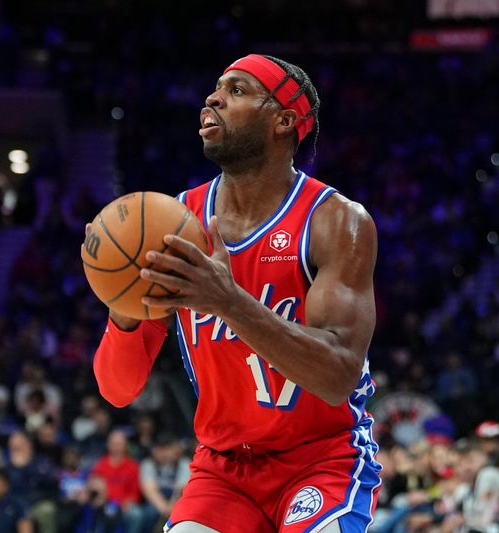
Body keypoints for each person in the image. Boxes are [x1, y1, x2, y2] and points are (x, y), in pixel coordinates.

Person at [91, 53, 382, 532]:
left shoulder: (336, 221)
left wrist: (228, 302)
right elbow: (117, 390)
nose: (212, 98)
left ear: (283, 121)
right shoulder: (174, 223)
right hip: (224, 470)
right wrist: (119, 304)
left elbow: (336, 376)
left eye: (238, 90)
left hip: (321, 460)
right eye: (216, 87)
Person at [90, 430, 145, 533]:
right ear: (108, 445)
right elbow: (93, 488)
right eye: (114, 444)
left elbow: (135, 493)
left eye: (119, 444)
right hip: (104, 503)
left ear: (125, 446)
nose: (116, 447)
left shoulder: (133, 466)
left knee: (136, 514)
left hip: (124, 505)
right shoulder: (100, 465)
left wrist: (127, 502)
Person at [139, 433, 191, 531]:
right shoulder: (148, 464)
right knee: (150, 512)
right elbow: (150, 491)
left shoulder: (183, 463)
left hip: (177, 500)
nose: (161, 452)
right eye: (158, 449)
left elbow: (181, 489)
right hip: (156, 502)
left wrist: (172, 507)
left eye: (165, 449)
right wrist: (165, 509)